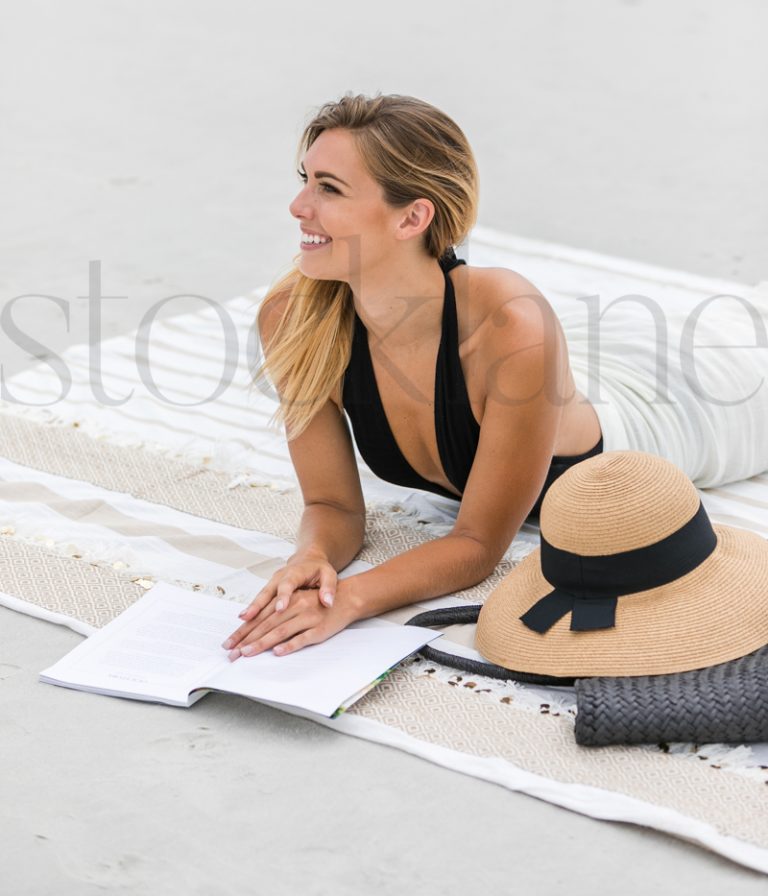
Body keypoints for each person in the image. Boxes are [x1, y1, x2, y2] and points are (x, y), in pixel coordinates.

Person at [224, 93, 768, 660]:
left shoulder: (509, 324)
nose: (297, 206)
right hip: (552, 370)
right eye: (305, 179)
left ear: (413, 216)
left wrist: (350, 599)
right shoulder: (294, 317)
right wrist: (310, 559)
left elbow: (477, 544)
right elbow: (333, 507)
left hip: (679, 415)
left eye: (328, 188)